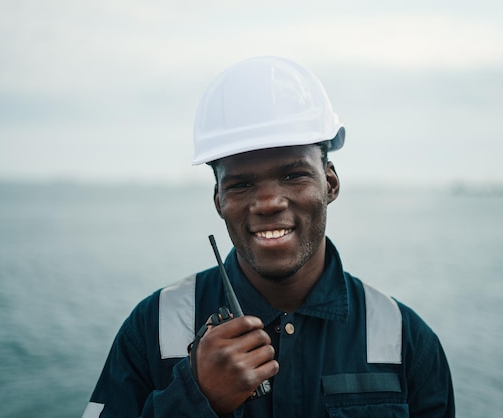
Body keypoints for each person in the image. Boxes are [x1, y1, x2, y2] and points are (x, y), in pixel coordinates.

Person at [82, 56, 455, 417]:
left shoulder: (405, 340)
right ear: (219, 200)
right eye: (241, 183)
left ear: (331, 183)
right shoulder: (154, 327)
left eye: (293, 175)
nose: (268, 203)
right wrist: (196, 399)